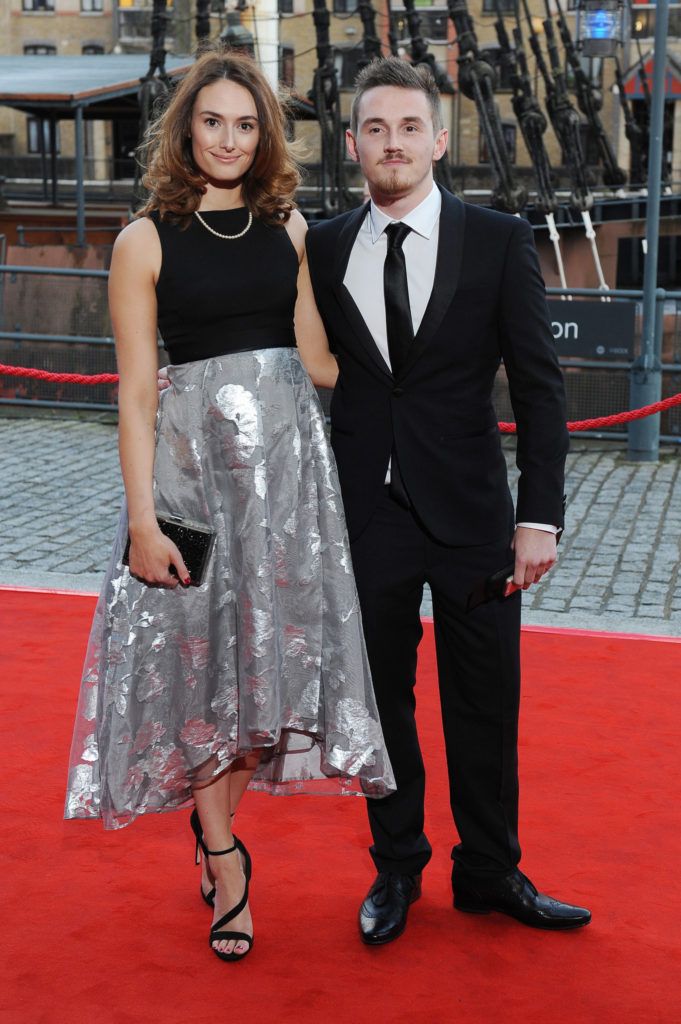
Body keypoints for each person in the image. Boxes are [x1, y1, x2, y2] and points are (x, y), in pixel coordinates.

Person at [64, 49, 394, 964]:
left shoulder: (286, 229)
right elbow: (133, 393)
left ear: (264, 136)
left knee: (264, 675)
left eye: (246, 126)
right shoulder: (142, 239)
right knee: (199, 668)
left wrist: (427, 355)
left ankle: (216, 836)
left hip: (285, 491)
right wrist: (141, 519)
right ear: (184, 129)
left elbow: (321, 362)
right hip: (185, 488)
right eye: (213, 122)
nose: (229, 139)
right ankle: (225, 856)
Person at [305, 57, 591, 944]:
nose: (393, 144)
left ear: (438, 138)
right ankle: (397, 872)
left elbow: (540, 390)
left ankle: (490, 871)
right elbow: (284, 355)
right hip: (369, 518)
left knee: (483, 701)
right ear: (353, 144)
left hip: (472, 522)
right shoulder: (318, 246)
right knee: (381, 705)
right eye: (375, 129)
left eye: (409, 128)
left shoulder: (497, 239)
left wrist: (536, 518)